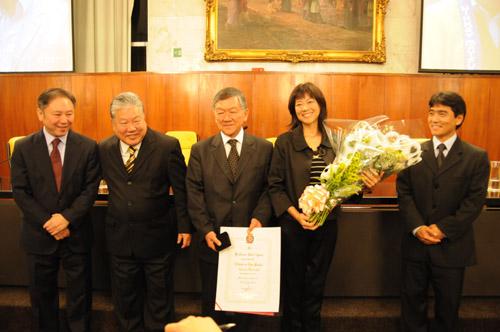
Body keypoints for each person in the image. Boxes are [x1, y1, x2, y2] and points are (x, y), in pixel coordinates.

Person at [268, 82, 382, 332]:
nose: (305, 108)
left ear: (320, 105)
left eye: (310, 102)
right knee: (293, 284)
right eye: (299, 104)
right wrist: (297, 216)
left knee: (316, 285)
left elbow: (349, 189)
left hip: (326, 224)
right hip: (292, 225)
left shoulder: (338, 141)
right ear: (293, 110)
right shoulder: (285, 142)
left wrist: (366, 183)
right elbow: (274, 187)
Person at [397, 91, 490, 332]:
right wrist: (418, 227)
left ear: (458, 118)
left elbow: (474, 201)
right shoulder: (411, 152)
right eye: (431, 113)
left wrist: (442, 229)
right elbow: (404, 193)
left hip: (452, 247)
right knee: (411, 309)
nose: (434, 119)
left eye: (442, 113)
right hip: (415, 245)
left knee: (447, 311)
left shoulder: (476, 157)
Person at [99, 92, 192, 332]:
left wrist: (184, 227)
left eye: (137, 120)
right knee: (125, 302)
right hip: (120, 240)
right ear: (113, 123)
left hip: (158, 238)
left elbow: (182, 191)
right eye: (124, 122)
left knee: (159, 301)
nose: (131, 127)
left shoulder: (166, 146)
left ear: (144, 117)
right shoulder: (103, 148)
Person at [10, 88, 100, 331]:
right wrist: (49, 222)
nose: (64, 120)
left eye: (69, 114)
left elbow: (90, 190)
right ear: (40, 113)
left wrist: (66, 219)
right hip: (39, 235)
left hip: (76, 233)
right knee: (41, 297)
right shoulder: (23, 147)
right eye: (57, 114)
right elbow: (20, 191)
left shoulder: (88, 146)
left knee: (80, 297)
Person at [186, 87, 273, 332]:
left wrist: (260, 217)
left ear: (245, 114)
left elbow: (270, 189)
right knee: (214, 306)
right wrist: (205, 230)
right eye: (221, 112)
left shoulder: (265, 148)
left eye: (233, 111)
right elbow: (194, 193)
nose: (227, 117)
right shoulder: (200, 150)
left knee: (249, 308)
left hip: (251, 242)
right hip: (214, 241)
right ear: (214, 115)